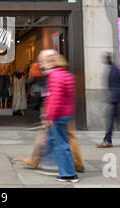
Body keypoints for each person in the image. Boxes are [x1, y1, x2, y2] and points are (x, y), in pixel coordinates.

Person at [42, 53, 78, 182]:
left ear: (52, 63)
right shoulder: (66, 74)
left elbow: (55, 98)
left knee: (60, 144)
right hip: (66, 112)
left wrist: (49, 116)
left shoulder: (54, 75)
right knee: (61, 142)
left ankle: (68, 173)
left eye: (45, 63)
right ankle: (64, 169)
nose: (43, 65)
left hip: (58, 114)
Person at [97, 53, 120, 148]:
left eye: (106, 58)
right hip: (114, 98)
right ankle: (108, 140)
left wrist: (116, 95)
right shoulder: (113, 69)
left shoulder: (114, 70)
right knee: (112, 120)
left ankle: (107, 141)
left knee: (110, 120)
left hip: (114, 99)